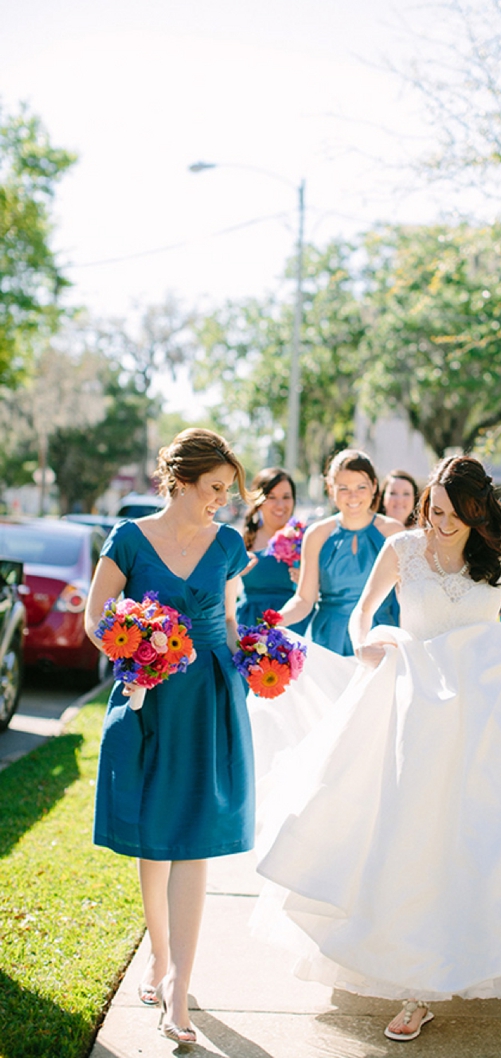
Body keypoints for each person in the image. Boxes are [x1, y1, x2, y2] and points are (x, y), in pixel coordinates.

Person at [251, 455, 501, 1043]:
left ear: (475, 512)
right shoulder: (404, 550)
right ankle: (414, 984)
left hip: (482, 711)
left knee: (486, 837)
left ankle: (479, 950)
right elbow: (363, 612)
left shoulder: (500, 555)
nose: (438, 522)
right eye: (432, 510)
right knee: (408, 837)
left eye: (451, 514)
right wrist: (366, 645)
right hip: (410, 705)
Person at [85, 428, 254, 1046]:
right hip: (149, 699)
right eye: (214, 488)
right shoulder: (128, 538)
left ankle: (178, 991)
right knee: (154, 842)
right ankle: (160, 960)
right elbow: (97, 616)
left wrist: (255, 662)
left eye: (227, 492)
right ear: (181, 480)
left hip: (209, 700)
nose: (221, 501)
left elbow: (232, 623)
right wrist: (136, 650)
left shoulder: (229, 543)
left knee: (195, 840)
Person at [278, 449, 403, 653]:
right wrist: (275, 621)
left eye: (361, 487)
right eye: (343, 488)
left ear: (374, 486)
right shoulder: (316, 534)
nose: (353, 496)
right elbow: (304, 600)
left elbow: (406, 598)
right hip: (329, 641)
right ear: (331, 489)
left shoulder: (394, 532)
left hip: (379, 639)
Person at [236, 467, 309, 634]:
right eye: (272, 497)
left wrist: (308, 583)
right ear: (259, 501)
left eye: (286, 497)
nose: (280, 505)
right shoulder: (243, 541)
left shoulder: (306, 539)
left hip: (295, 626)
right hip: (251, 624)